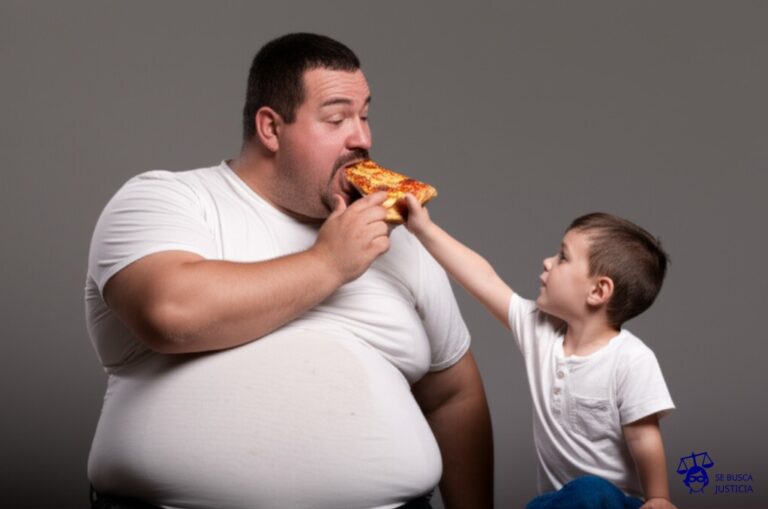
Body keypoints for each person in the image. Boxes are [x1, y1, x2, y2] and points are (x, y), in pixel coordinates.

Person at [85, 33, 493, 509]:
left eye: (364, 117)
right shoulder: (167, 200)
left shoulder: (395, 239)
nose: (362, 139)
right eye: (337, 119)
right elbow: (169, 312)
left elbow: (453, 394)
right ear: (271, 128)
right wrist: (329, 262)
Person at [403, 196, 677, 509]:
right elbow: (485, 280)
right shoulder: (540, 332)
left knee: (589, 490)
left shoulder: (631, 360)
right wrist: (424, 230)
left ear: (598, 291)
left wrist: (658, 498)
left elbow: (644, 437)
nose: (547, 262)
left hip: (614, 503)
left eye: (563, 257)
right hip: (557, 502)